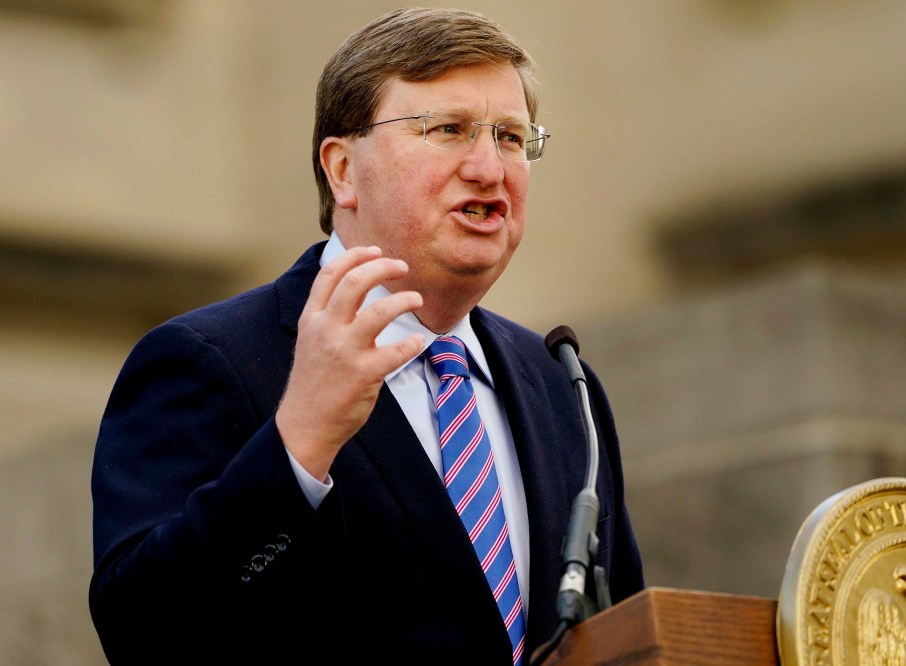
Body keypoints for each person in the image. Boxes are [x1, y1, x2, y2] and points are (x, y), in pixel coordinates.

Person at [90, 7, 643, 664]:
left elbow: (627, 631)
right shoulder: (209, 361)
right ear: (343, 169)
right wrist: (300, 443)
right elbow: (142, 630)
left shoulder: (562, 383)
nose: (490, 170)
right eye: (449, 130)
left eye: (512, 138)